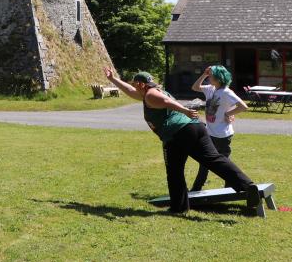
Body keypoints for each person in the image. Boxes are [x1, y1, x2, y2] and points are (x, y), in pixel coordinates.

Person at [103, 67, 258, 213]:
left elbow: (166, 102)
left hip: (178, 134)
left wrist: (185, 110)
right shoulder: (151, 92)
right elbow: (130, 91)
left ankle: (179, 207)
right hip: (195, 128)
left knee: (174, 171)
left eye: (135, 84)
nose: (133, 87)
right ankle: (247, 185)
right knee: (213, 159)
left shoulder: (150, 94)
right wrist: (113, 79)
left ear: (141, 84)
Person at [190, 65, 249, 192]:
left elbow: (243, 106)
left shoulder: (226, 92)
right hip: (210, 133)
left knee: (223, 164)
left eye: (211, 75)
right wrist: (204, 74)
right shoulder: (210, 89)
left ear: (218, 78)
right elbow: (195, 87)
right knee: (205, 161)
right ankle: (196, 188)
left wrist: (228, 114)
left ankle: (229, 189)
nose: (209, 77)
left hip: (222, 135)